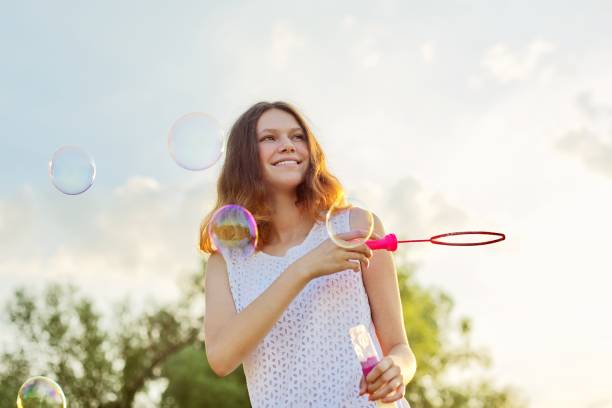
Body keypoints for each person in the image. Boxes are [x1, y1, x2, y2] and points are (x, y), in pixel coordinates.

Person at [200, 101, 417, 407]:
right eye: (269, 138)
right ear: (244, 158)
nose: (287, 145)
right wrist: (304, 268)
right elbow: (221, 358)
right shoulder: (225, 264)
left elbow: (399, 348)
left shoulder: (354, 225)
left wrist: (398, 369)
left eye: (297, 136)